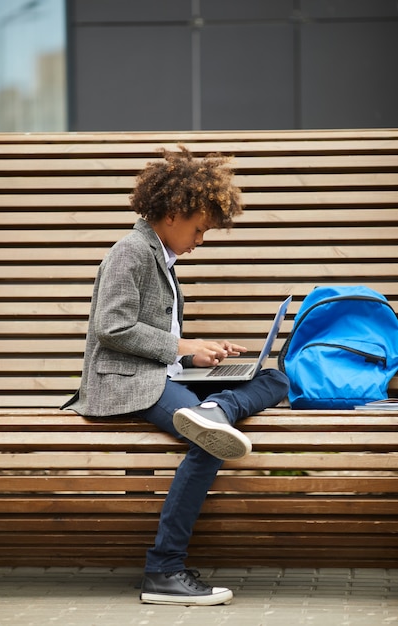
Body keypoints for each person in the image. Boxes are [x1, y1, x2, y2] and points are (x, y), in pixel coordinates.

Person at [62, 146, 289, 606]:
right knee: (211, 440)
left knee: (277, 380)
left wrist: (198, 357)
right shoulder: (131, 252)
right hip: (122, 383)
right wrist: (184, 347)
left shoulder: (161, 259)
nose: (201, 239)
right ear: (173, 213)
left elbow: (156, 344)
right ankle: (163, 570)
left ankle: (213, 407)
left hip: (158, 378)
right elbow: (112, 327)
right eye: (200, 228)